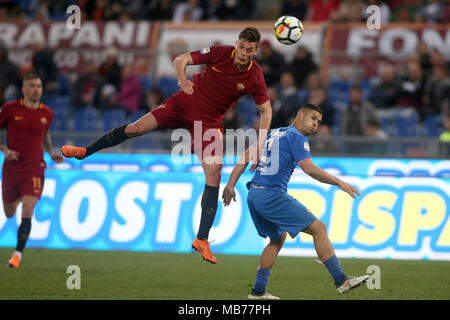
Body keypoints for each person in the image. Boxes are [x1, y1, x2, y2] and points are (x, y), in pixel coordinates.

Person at [61, 27, 272, 264]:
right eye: (241, 47)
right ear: (237, 43)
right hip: (182, 103)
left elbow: (266, 110)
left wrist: (261, 142)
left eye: (249, 50)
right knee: (135, 129)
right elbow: (181, 59)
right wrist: (182, 78)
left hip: (208, 122)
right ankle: (85, 152)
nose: (243, 53)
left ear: (256, 51)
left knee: (214, 173)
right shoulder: (219, 53)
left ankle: (201, 239)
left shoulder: (255, 76)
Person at [222, 104, 369, 299]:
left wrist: (230, 185)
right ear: (300, 115)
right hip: (271, 195)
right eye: (313, 118)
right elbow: (309, 168)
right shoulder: (297, 137)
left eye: (319, 121)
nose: (316, 124)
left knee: (277, 238)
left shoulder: (274, 133)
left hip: (254, 195)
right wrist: (340, 182)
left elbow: (245, 156)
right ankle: (341, 280)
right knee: (319, 228)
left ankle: (258, 291)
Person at [0, 74, 65, 269]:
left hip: (35, 168)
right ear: (24, 89)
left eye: (39, 86)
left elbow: (44, 133)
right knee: (10, 212)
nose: (36, 89)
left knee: (28, 208)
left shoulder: (48, 113)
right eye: (32, 86)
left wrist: (51, 152)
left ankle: (17, 255)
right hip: (12, 168)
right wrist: (4, 150)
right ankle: (19, 198)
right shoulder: (11, 109)